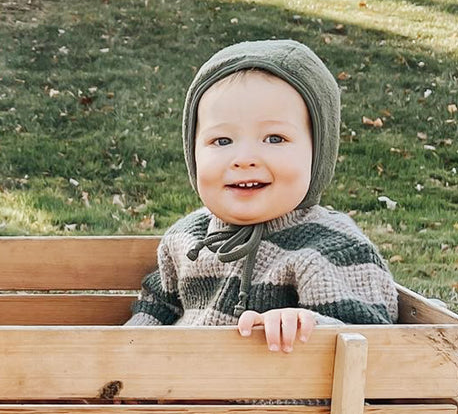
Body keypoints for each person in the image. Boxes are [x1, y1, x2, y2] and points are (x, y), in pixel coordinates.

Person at [126, 39, 398, 348]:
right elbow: (156, 308)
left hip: (276, 391)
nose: (244, 158)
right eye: (222, 141)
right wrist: (124, 356)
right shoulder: (188, 238)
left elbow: (372, 336)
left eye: (274, 138)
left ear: (318, 153)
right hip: (179, 388)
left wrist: (306, 325)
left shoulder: (332, 247)